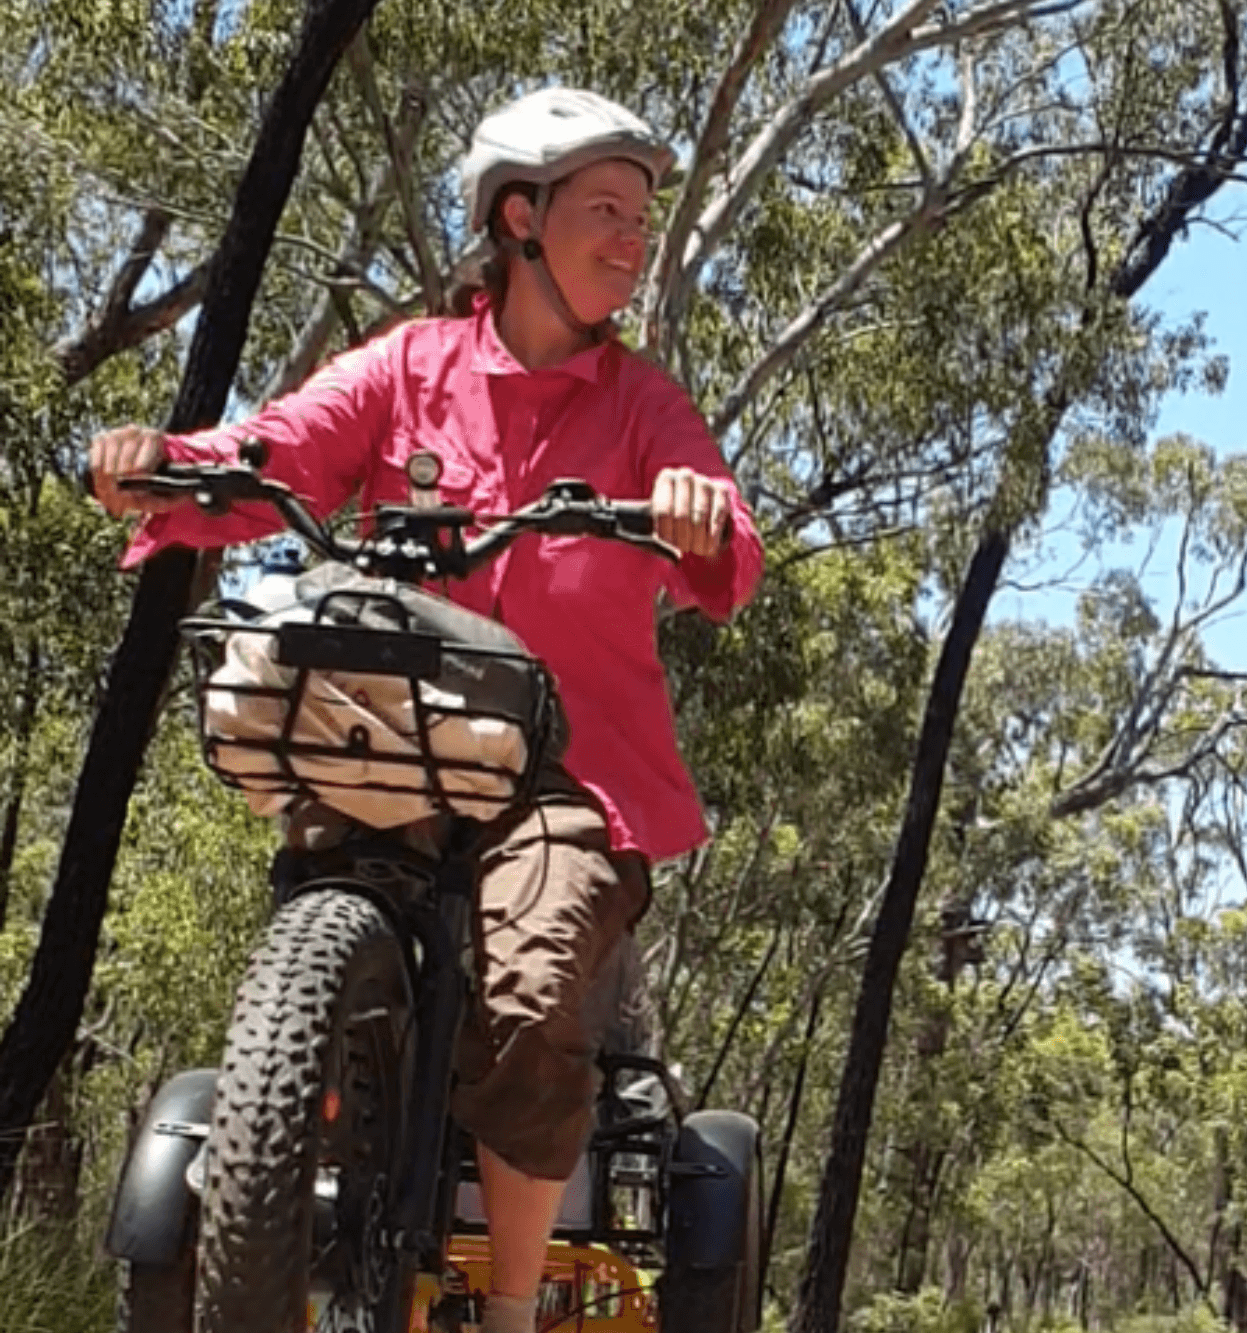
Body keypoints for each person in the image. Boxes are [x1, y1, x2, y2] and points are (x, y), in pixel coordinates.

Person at [88, 87, 762, 1333]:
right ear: (520, 218)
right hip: (394, 734)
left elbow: (725, 543)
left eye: (641, 219)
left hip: (565, 774)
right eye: (604, 211)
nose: (632, 239)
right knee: (311, 917)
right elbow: (282, 448)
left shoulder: (641, 406)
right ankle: (300, 1143)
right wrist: (162, 468)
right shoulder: (409, 367)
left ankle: (508, 1308)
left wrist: (695, 514)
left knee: (526, 993)